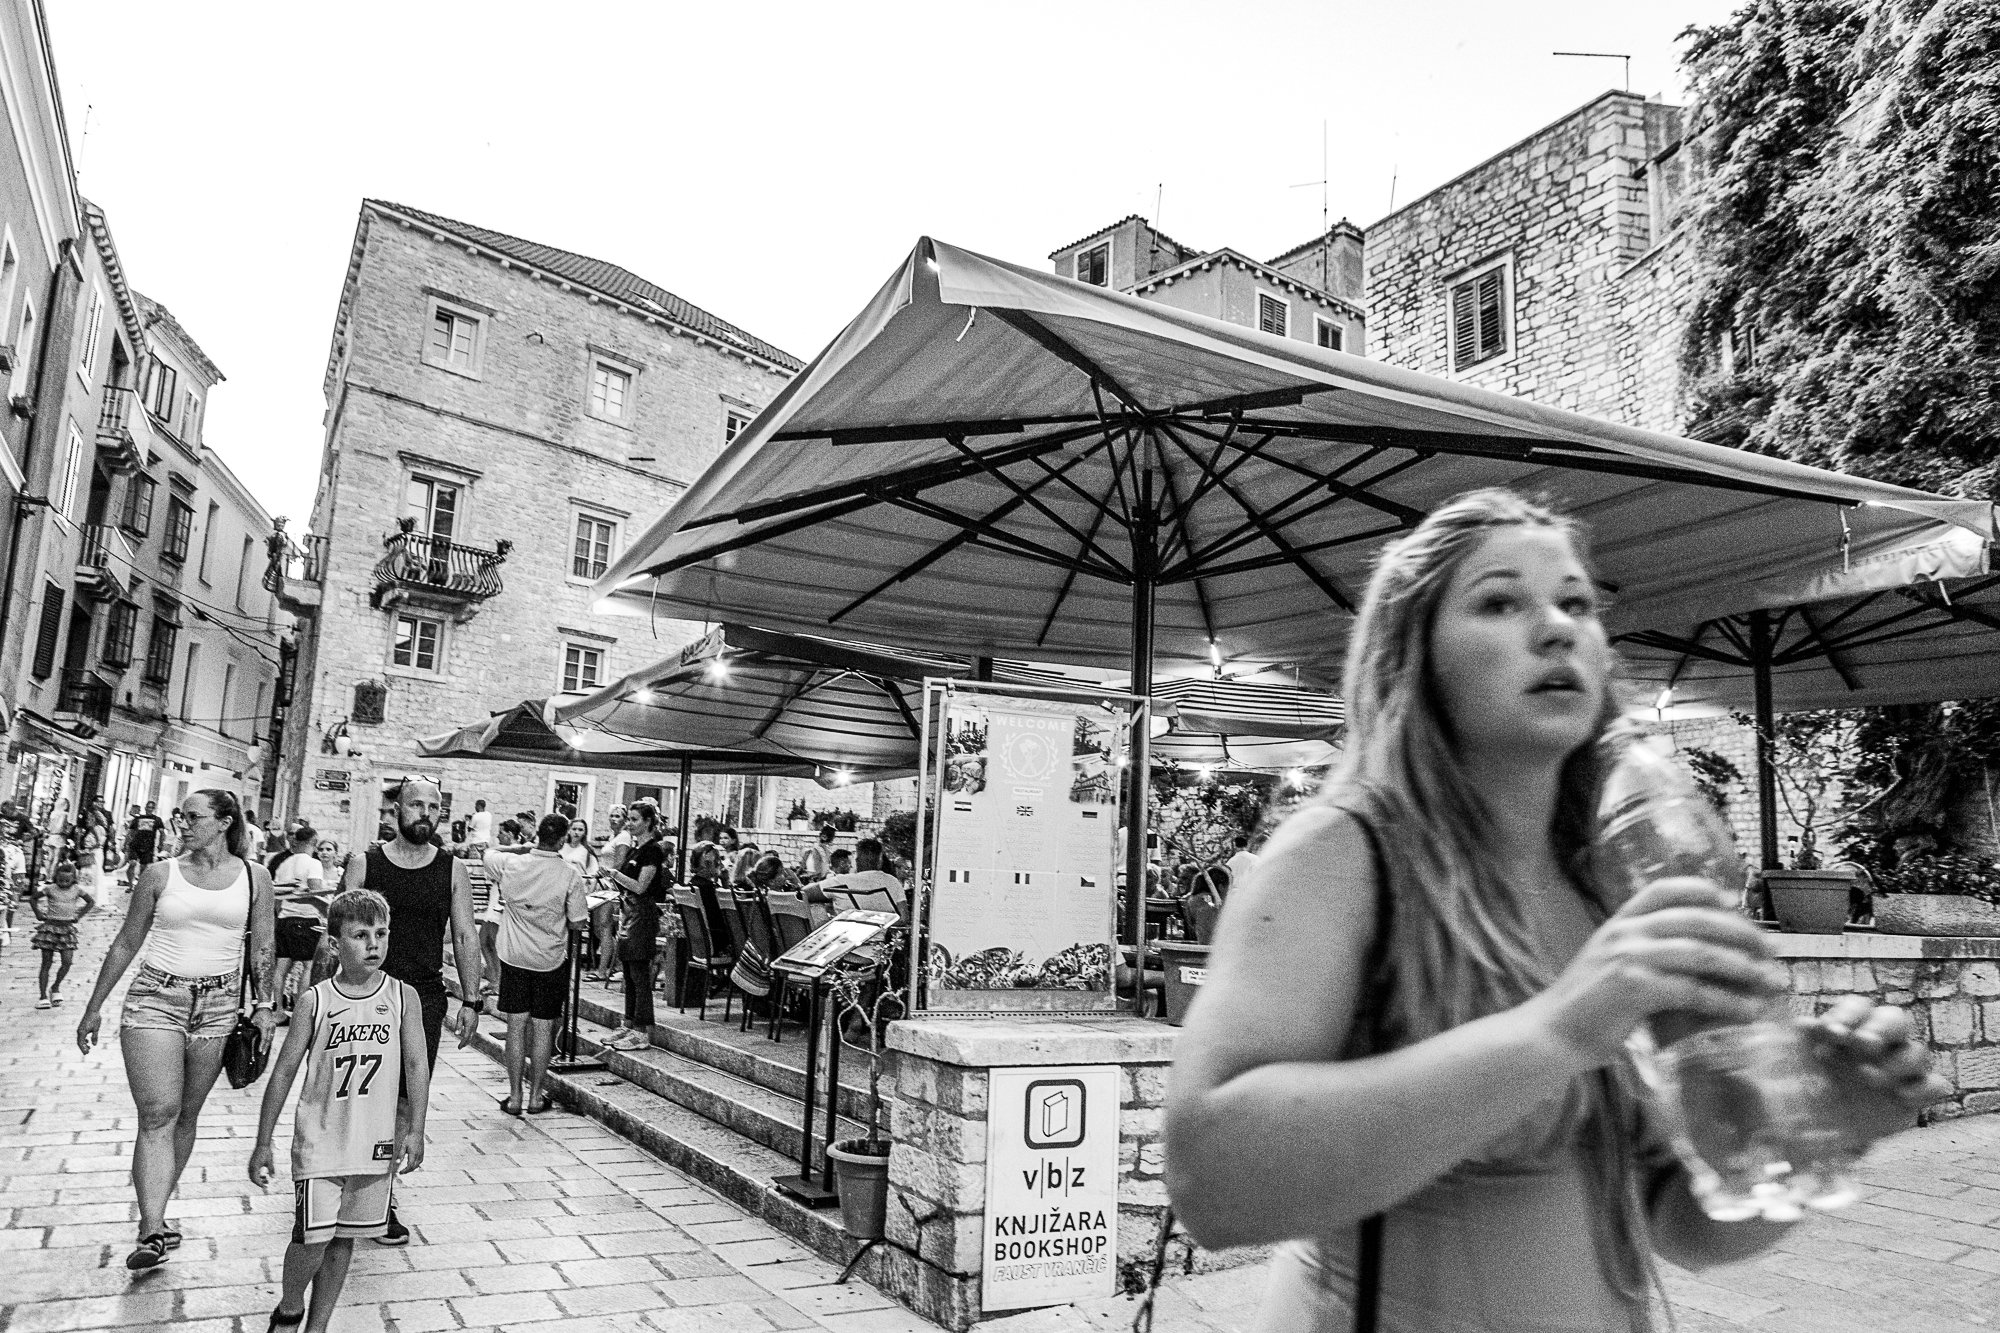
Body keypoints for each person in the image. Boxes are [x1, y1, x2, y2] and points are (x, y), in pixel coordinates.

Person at [1162, 490, 1950, 1333]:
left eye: (1576, 602)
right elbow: (1214, 1185)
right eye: (1500, 601)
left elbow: (1685, 1224)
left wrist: (1828, 1118)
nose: (1556, 627)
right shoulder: (1341, 855)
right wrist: (1559, 1031)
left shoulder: (1604, 882)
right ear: (1414, 655)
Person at [75, 788, 279, 1271]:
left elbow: (263, 946)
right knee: (159, 1114)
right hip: (155, 999)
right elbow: (127, 941)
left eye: (192, 817)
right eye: (180, 817)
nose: (182, 824)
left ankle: (159, 1213)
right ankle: (150, 1228)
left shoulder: (256, 877)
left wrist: (266, 1006)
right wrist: (94, 1005)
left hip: (219, 1005)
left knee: (186, 1113)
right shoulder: (159, 874)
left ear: (225, 822)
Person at [250, 888, 428, 1333]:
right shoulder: (317, 1000)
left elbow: (417, 1065)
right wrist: (263, 1140)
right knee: (312, 1237)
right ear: (334, 944)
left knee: (343, 1238)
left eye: (381, 934)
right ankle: (290, 1306)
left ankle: (319, 1325)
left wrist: (417, 1130)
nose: (374, 944)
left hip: (373, 1141)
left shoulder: (404, 997)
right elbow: (285, 1071)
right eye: (360, 934)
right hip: (321, 1138)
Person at [341, 778, 481, 1245]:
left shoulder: (452, 869)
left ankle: (383, 1197)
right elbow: (336, 931)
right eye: (416, 804)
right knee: (356, 1094)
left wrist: (472, 1000)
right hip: (363, 995)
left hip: (421, 998)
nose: (425, 812)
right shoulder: (366, 863)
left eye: (434, 806)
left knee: (403, 1099)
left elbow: (464, 935)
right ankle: (342, 1172)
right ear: (395, 809)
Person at [488, 814, 587, 1113]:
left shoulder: (512, 865)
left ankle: (515, 1097)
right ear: (562, 840)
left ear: (538, 835)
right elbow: (578, 923)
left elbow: (488, 853)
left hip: (515, 957)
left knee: (516, 1026)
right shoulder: (570, 875)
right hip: (550, 959)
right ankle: (535, 1097)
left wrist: (522, 848)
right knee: (543, 1028)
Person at [602, 802, 669, 1046]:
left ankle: (642, 1031)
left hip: (643, 915)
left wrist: (615, 874)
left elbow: (642, 886)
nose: (628, 823)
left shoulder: (652, 850)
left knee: (640, 974)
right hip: (629, 912)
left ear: (648, 822)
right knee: (628, 974)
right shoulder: (634, 849)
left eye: (634, 819)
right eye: (628, 819)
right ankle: (629, 1024)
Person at [270, 824, 330, 1021]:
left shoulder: (284, 864)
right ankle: (299, 1014)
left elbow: (278, 896)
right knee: (308, 967)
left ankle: (278, 1011)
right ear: (313, 842)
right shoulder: (313, 864)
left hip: (285, 919)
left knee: (281, 968)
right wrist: (328, 906)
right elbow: (315, 892)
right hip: (306, 920)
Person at [30, 858, 96, 1007]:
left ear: (73, 879)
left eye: (67, 880)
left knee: (67, 961)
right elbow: (33, 899)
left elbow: (90, 902)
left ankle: (56, 986)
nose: (63, 883)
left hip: (67, 930)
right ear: (56, 877)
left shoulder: (77, 890)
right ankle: (42, 995)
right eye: (60, 880)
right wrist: (38, 914)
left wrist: (79, 915)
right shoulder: (50, 889)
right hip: (50, 928)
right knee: (46, 962)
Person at [811, 837, 903, 915]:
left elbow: (803, 894)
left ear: (857, 860)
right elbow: (903, 918)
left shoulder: (840, 881)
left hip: (843, 933)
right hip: (878, 935)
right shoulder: (893, 882)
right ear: (880, 861)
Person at [125, 801, 165, 885]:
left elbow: (162, 832)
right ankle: (130, 884)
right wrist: (127, 843)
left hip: (148, 846)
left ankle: (139, 884)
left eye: (151, 807)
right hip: (135, 844)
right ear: (145, 807)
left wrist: (161, 844)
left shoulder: (157, 820)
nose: (149, 809)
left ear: (154, 809)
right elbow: (130, 832)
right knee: (132, 863)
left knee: (144, 867)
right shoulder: (137, 819)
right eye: (148, 807)